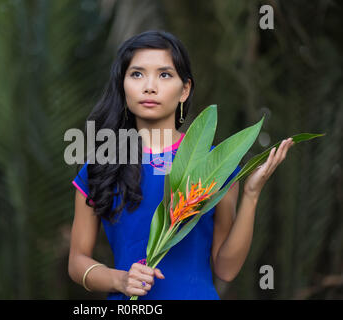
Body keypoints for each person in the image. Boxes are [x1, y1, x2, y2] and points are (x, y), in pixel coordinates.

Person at [67, 30, 294, 300]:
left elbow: (226, 269)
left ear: (184, 89)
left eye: (164, 75)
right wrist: (120, 279)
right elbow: (77, 260)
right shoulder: (101, 166)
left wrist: (251, 195)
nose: (149, 86)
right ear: (122, 85)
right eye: (137, 74)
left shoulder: (213, 165)